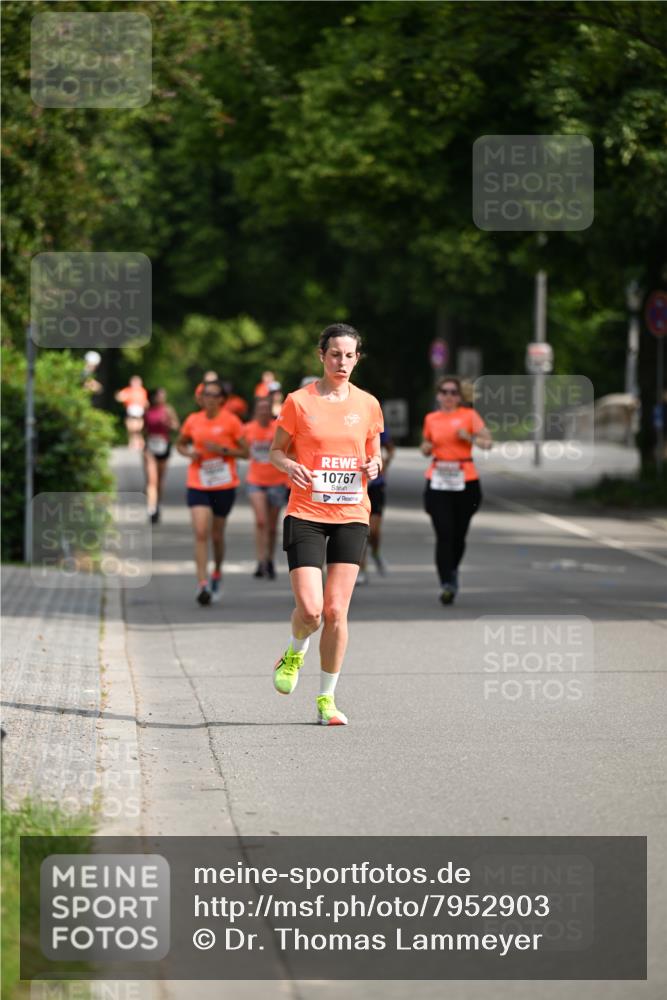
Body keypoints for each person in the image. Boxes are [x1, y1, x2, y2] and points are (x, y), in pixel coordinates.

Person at [269, 323, 383, 726]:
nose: (343, 362)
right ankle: (294, 650)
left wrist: (374, 463)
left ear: (357, 358)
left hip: (352, 513)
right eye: (335, 354)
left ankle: (326, 699)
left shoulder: (368, 404)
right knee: (312, 610)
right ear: (322, 355)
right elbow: (276, 452)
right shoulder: (299, 402)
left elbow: (375, 454)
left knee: (336, 611)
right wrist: (290, 466)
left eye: (350, 355)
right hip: (306, 514)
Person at [176, 381, 248, 605]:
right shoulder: (192, 420)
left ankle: (216, 571)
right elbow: (180, 444)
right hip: (198, 482)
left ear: (221, 400)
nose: (208, 398)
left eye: (214, 395)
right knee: (200, 533)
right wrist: (190, 454)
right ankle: (202, 584)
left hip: (224, 484)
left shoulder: (231, 421)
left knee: (216, 536)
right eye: (205, 394)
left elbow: (246, 452)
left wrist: (223, 450)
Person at [421, 375, 492, 605]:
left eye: (453, 392)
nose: (449, 396)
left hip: (466, 481)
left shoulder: (469, 416)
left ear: (460, 396)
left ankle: (452, 570)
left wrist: (469, 436)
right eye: (444, 392)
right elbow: (425, 446)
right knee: (444, 533)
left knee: (459, 535)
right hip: (439, 480)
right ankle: (447, 582)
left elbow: (488, 443)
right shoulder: (431, 418)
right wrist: (425, 447)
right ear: (438, 395)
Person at [244, 396, 289, 579]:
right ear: (256, 410)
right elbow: (240, 448)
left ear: (270, 410)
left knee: (271, 526)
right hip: (255, 481)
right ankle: (260, 560)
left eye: (266, 408)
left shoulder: (278, 428)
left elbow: (290, 448)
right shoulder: (247, 429)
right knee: (261, 521)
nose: (263, 411)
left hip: (277, 481)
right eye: (260, 408)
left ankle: (270, 559)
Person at [356, 428, 396, 584]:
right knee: (361, 529)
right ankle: (361, 568)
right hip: (356, 484)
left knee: (374, 530)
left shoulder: (375, 427)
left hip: (376, 485)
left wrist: (385, 462)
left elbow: (390, 450)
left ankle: (376, 552)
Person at [143, 388, 180, 523]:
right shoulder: (147, 410)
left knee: (160, 480)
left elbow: (176, 426)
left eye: (163, 396)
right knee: (151, 480)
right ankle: (151, 508)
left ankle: (158, 504)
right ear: (153, 397)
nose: (161, 398)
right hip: (150, 447)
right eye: (159, 396)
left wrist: (169, 424)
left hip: (164, 445)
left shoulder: (168, 410)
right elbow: (144, 429)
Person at [115, 375, 148, 450]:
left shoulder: (142, 391)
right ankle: (133, 442)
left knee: (138, 429)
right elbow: (120, 397)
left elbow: (145, 402)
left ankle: (140, 442)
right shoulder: (128, 390)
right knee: (131, 429)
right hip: (130, 413)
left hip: (139, 413)